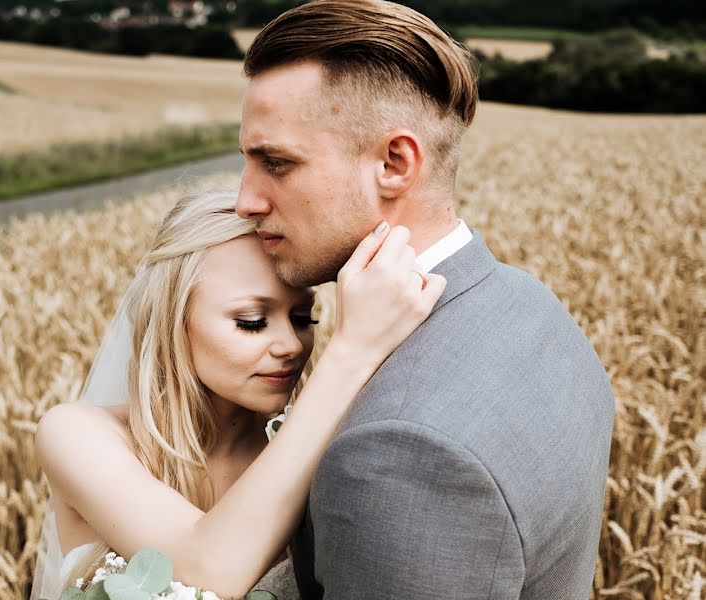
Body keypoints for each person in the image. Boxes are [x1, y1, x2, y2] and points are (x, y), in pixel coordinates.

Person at [236, 1, 615, 599]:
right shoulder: (531, 307)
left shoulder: (402, 457)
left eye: (276, 163)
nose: (246, 201)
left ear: (394, 163)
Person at [30, 191, 445, 599]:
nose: (291, 345)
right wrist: (353, 350)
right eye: (251, 321)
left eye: (304, 317)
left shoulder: (327, 448)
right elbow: (210, 570)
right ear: (176, 321)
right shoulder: (76, 434)